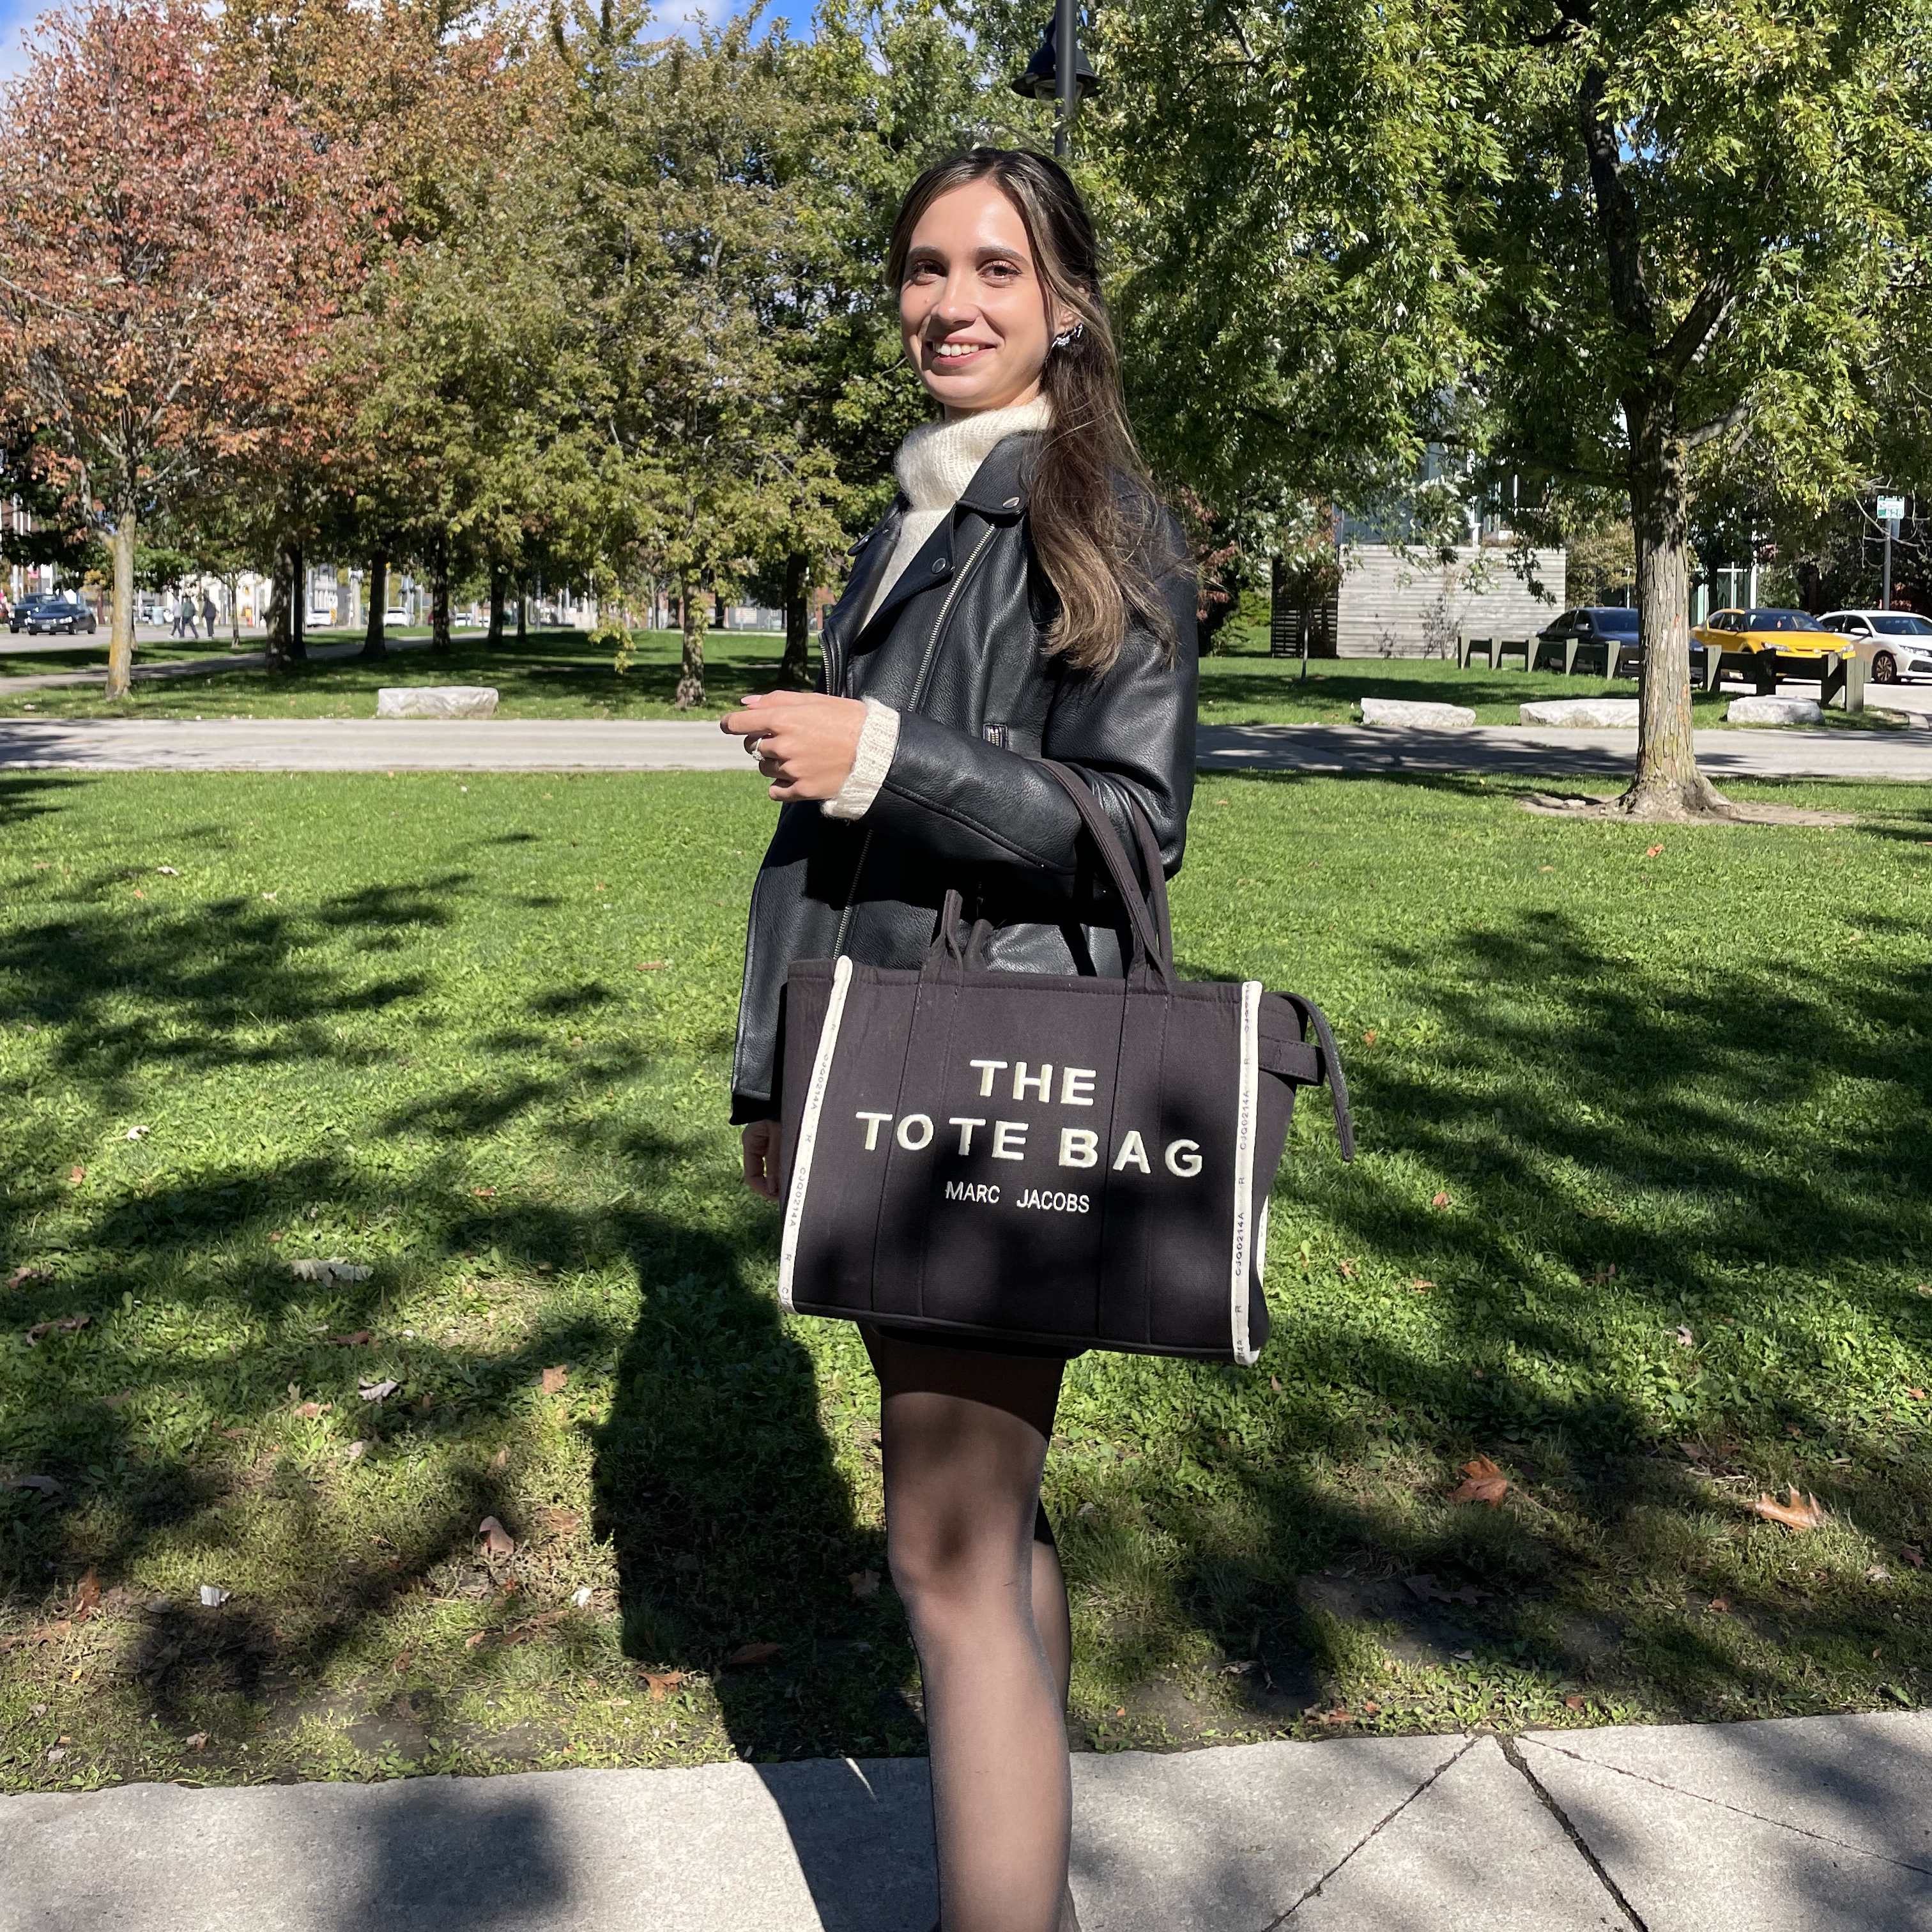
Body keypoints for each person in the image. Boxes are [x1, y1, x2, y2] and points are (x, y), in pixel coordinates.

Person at [722, 148, 1196, 1932]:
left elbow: (1132, 824)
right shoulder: (912, 515)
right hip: (885, 1061)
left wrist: (887, 757)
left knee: (942, 1545)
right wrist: (775, 1075)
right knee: (986, 1525)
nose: (953, 301)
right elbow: (817, 856)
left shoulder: (1097, 514)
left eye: (997, 267)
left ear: (1064, 306)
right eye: (926, 268)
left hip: (991, 1082)